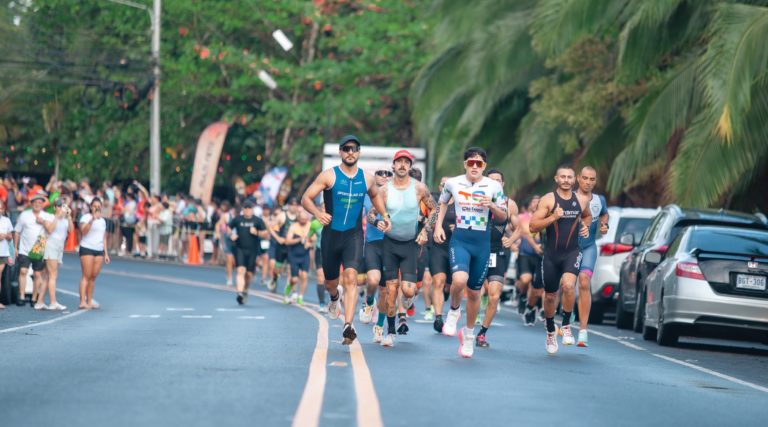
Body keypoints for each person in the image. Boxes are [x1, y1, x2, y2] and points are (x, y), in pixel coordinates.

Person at [301, 134, 391, 345]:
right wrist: (317, 213)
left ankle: (348, 325)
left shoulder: (367, 177)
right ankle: (334, 297)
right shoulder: (329, 175)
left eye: (354, 149)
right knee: (330, 283)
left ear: (359, 153)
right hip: (331, 236)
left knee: (351, 278)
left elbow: (375, 195)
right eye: (347, 148)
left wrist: (385, 215)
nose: (351, 152)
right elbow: (306, 198)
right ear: (341, 152)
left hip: (353, 236)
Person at [434, 147, 507, 358]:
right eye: (471, 162)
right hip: (461, 240)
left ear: (484, 166)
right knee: (458, 280)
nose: (475, 166)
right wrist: (438, 226)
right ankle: (454, 311)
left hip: (482, 244)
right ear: (465, 164)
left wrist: (492, 206)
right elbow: (442, 203)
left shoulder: (493, 186)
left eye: (479, 163)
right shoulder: (453, 183)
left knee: (475, 292)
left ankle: (468, 336)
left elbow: (503, 216)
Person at [370, 150, 435, 347]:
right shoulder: (384, 190)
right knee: (391, 290)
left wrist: (425, 231)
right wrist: (377, 223)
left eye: (406, 162)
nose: (402, 165)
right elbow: (371, 214)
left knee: (408, 291)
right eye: (399, 162)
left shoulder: (419, 188)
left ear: (410, 166)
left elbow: (434, 209)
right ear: (393, 165)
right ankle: (390, 332)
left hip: (410, 245)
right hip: (390, 244)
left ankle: (407, 301)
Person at [529, 165, 592, 355]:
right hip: (551, 255)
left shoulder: (581, 200)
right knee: (549, 296)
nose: (566, 180)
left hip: (572, 252)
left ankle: (565, 324)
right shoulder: (549, 200)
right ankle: (550, 330)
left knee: (568, 286)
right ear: (556, 179)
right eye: (562, 177)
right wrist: (553, 217)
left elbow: (588, 216)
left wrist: (585, 227)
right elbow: (532, 226)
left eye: (569, 177)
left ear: (574, 180)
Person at [475, 169, 520, 348]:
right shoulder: (477, 199)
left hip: (497, 252)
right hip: (477, 250)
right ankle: (468, 323)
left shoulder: (510, 204)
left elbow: (519, 228)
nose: (495, 183)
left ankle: (482, 333)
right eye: (491, 180)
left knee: (494, 296)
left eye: (498, 181)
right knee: (474, 290)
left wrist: (511, 239)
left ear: (503, 184)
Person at [575, 166, 609, 347]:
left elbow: (604, 214)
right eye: (585, 178)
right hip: (569, 249)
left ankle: (583, 331)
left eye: (592, 179)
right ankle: (566, 314)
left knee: (584, 281)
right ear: (578, 178)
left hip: (588, 247)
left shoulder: (599, 200)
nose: (588, 182)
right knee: (565, 285)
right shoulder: (570, 198)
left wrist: (605, 225)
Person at [14, 192, 55, 308]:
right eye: (35, 202)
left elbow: (52, 229)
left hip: (39, 248)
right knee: (23, 271)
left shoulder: (47, 216)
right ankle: (21, 296)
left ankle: (34, 297)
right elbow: (17, 231)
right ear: (31, 204)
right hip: (24, 248)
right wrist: (16, 247)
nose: (37, 204)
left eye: (40, 202)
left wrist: (43, 222)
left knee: (37, 274)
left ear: (43, 204)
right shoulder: (24, 215)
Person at [362, 169, 390, 334]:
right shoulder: (366, 195)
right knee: (373, 281)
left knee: (386, 290)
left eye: (388, 174)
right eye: (380, 173)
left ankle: (379, 326)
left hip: (391, 245)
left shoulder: (395, 195)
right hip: (372, 243)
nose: (384, 176)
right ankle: (369, 302)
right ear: (374, 177)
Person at [229, 201, 269, 304]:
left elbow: (265, 234)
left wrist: (257, 232)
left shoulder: (257, 220)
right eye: (245, 208)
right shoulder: (238, 219)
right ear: (243, 209)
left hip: (253, 250)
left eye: (249, 208)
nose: (247, 210)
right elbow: (228, 227)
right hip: (240, 249)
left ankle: (245, 289)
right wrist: (231, 234)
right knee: (240, 270)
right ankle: (239, 293)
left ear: (252, 209)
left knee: (249, 274)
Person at [40, 198, 74, 311]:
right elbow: (50, 230)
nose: (61, 208)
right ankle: (53, 302)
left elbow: (71, 230)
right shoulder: (50, 217)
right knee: (53, 275)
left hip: (60, 247)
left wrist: (69, 216)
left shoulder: (65, 219)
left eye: (63, 206)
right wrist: (57, 217)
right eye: (59, 206)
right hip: (51, 246)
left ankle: (39, 302)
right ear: (55, 208)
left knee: (48, 276)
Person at [430, 177, 455, 333]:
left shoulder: (461, 204)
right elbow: (430, 221)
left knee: (452, 284)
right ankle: (438, 317)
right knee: (438, 281)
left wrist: (458, 227)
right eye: (443, 184)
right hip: (438, 247)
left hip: (456, 247)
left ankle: (447, 292)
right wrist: (431, 228)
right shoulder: (436, 204)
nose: (446, 187)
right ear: (440, 188)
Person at [78, 197, 111, 309]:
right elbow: (84, 231)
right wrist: (92, 219)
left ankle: (90, 300)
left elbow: (104, 237)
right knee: (86, 275)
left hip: (99, 249)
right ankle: (82, 301)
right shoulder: (86, 217)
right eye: (94, 206)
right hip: (87, 248)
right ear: (91, 207)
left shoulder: (102, 221)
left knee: (93, 277)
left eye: (98, 206)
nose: (96, 208)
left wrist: (106, 253)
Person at [517, 196, 545, 326]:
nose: (536, 204)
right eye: (534, 202)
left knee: (538, 287)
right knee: (525, 280)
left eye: (539, 202)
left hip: (541, 256)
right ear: (530, 205)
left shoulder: (546, 217)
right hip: (526, 254)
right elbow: (526, 233)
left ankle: (532, 307)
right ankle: (523, 296)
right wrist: (535, 246)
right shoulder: (524, 218)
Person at [284, 210, 313, 305]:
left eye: (305, 219)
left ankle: (300, 296)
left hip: (305, 254)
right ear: (298, 218)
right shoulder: (294, 226)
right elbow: (287, 241)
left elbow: (315, 238)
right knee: (295, 279)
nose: (304, 221)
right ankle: (290, 286)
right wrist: (299, 238)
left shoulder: (310, 225)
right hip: (294, 255)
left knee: (304, 276)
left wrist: (309, 242)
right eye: (302, 219)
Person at [0, 199, 13, 310]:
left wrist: (7, 236)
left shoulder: (6, 220)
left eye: (0, 208)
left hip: (3, 252)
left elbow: (10, 236)